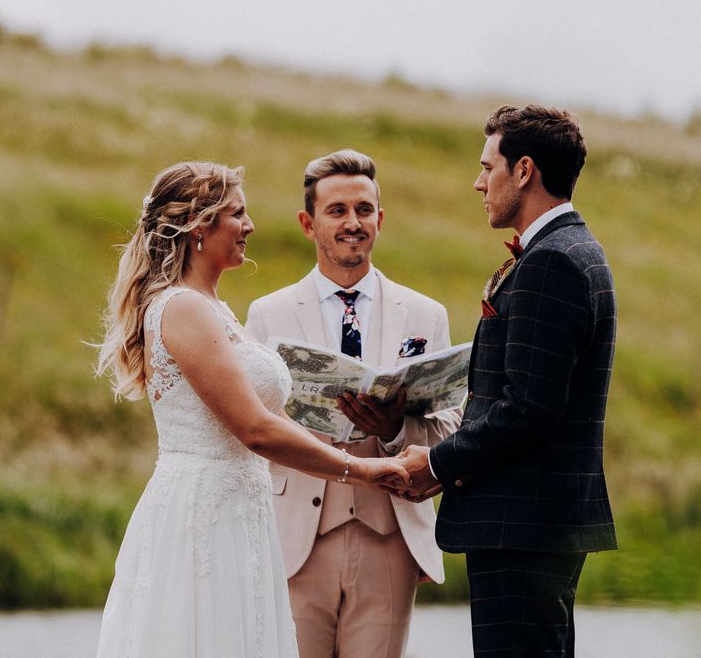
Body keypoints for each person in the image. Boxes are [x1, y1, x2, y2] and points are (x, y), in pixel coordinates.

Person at [93, 161, 410, 658]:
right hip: (204, 511)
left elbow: (272, 419)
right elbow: (256, 430)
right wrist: (360, 470)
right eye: (238, 214)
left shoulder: (214, 308)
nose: (250, 226)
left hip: (242, 509)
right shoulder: (183, 308)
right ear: (199, 226)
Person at [393, 105, 618, 657]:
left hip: (522, 523)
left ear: (523, 170)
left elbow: (530, 408)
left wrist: (438, 464)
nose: (478, 182)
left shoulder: (552, 262)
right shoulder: (574, 250)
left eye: (486, 167)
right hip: (540, 522)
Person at [245, 149, 461, 658]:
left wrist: (394, 430)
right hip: (295, 534)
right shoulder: (267, 314)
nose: (352, 223)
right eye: (337, 210)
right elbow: (251, 423)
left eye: (364, 210)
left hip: (389, 532)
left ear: (380, 219)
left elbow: (452, 425)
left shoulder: (425, 315)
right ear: (308, 222)